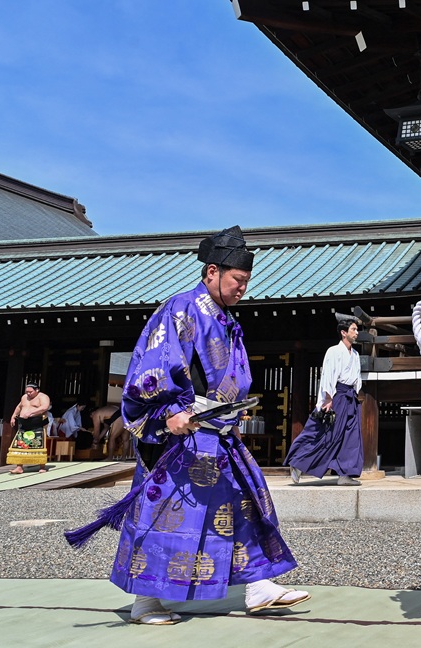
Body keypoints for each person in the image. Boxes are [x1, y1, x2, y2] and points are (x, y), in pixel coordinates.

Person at [64, 226, 309, 625]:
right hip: (182, 431)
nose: (242, 289)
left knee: (244, 500)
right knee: (165, 513)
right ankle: (145, 602)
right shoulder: (180, 308)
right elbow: (152, 367)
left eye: (246, 282)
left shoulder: (227, 319)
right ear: (212, 271)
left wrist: (232, 408)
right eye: (237, 280)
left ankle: (258, 585)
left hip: (218, 431)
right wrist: (166, 413)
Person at [285, 313, 365, 486]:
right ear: (344, 332)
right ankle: (298, 464)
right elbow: (328, 375)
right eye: (353, 329)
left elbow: (356, 377)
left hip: (350, 397)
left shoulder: (356, 354)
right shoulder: (334, 351)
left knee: (350, 436)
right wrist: (328, 398)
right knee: (327, 434)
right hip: (337, 396)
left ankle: (345, 474)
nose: (356, 333)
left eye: (356, 330)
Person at [7, 383, 51, 474]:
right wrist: (13, 416)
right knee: (20, 444)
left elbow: (44, 407)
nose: (28, 394)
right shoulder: (24, 397)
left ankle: (42, 466)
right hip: (24, 423)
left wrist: (31, 412)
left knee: (38, 444)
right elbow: (19, 407)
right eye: (27, 392)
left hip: (37, 423)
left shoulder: (43, 397)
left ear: (37, 390)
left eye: (30, 392)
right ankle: (19, 467)